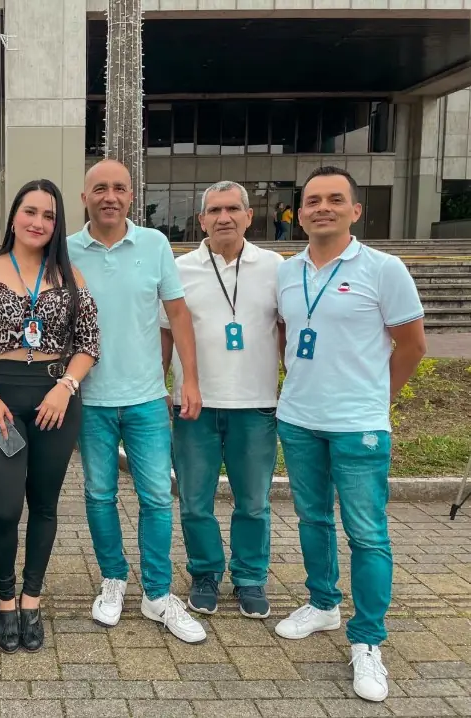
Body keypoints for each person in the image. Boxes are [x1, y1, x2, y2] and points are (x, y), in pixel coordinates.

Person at [274, 166, 426, 703]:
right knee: (313, 518)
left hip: (358, 425)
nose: (322, 208)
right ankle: (322, 603)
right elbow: (286, 336)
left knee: (367, 533)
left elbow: (411, 345)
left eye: (335, 200)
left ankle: (367, 641)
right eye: (312, 200)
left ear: (355, 211)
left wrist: (376, 400)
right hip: (298, 419)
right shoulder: (288, 272)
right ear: (300, 212)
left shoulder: (384, 269)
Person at [0, 178, 100, 653]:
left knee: (45, 504)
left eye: (50, 216)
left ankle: (31, 598)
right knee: (7, 507)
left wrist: (66, 387)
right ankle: (3, 596)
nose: (39, 222)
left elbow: (89, 345)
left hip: (56, 398)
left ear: (57, 225)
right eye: (31, 212)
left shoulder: (71, 277)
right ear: (13, 215)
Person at [67, 159, 206, 643]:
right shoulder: (65, 252)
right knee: (99, 495)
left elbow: (178, 314)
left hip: (148, 398)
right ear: (84, 196)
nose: (110, 195)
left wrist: (189, 380)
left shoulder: (155, 244)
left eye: (119, 188)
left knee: (155, 499)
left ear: (131, 196)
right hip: (90, 400)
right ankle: (113, 579)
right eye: (99, 188)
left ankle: (158, 593)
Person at [161, 180, 283, 621]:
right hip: (195, 406)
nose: (223, 217)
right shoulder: (179, 269)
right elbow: (165, 332)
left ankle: (250, 577)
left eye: (233, 208)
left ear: (249, 216)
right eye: (214, 210)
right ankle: (206, 573)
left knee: (253, 501)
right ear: (201, 220)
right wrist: (162, 389)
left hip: (255, 405)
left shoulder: (274, 267)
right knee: (195, 500)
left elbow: (286, 330)